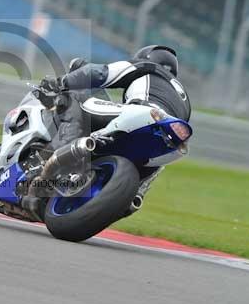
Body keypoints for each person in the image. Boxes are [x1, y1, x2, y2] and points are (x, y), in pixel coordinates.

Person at [36, 45, 191, 206]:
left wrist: (60, 83)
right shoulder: (185, 99)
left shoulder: (149, 67)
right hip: (169, 141)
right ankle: (136, 194)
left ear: (147, 58)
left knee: (74, 98)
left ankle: (57, 151)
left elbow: (101, 73)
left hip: (144, 113)